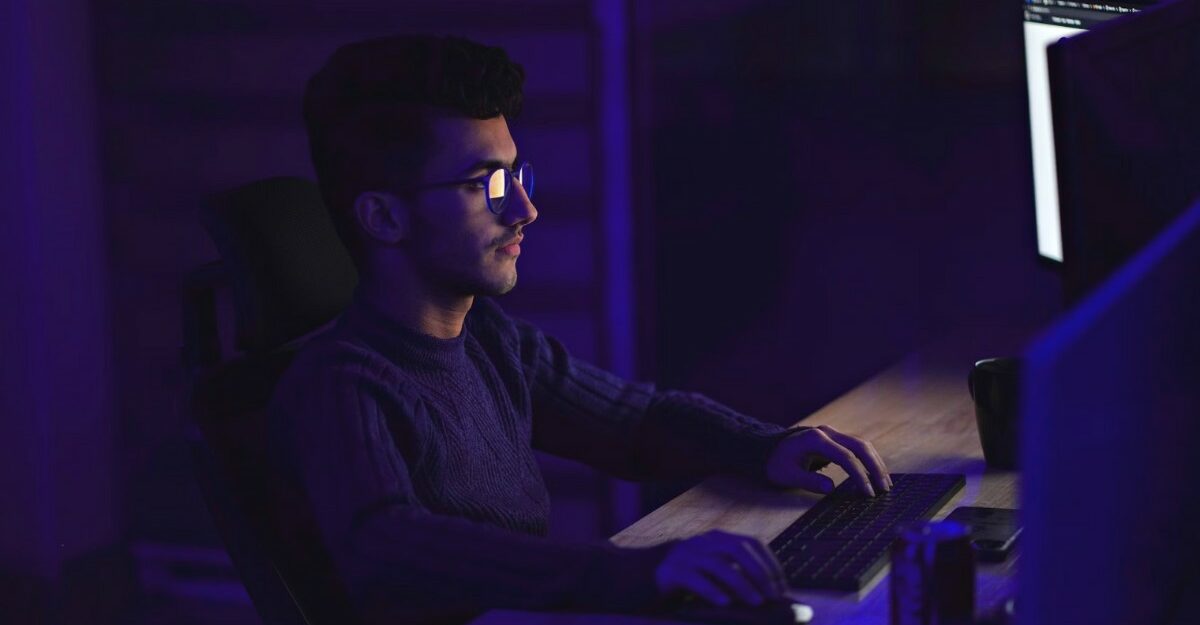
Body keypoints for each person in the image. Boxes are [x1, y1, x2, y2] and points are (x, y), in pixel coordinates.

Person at [269, 34, 892, 624]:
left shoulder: (489, 338)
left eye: (516, 174)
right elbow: (391, 547)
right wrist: (633, 575)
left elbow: (633, 421)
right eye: (483, 184)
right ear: (382, 216)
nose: (523, 209)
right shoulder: (340, 380)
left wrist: (765, 447)